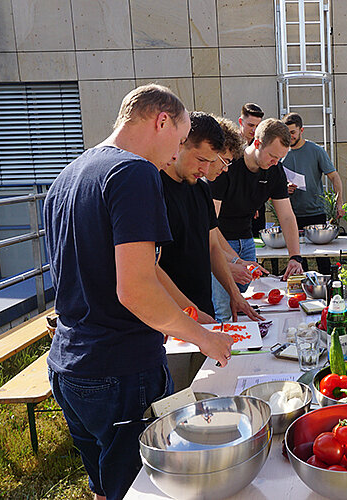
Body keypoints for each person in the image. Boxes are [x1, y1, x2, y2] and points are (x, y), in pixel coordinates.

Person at [43, 84, 234, 500]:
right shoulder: (135, 172)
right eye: (181, 140)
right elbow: (135, 288)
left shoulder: (69, 174)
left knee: (108, 487)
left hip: (70, 366)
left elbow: (121, 271)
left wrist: (188, 313)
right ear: (161, 121)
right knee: (147, 488)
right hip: (121, 370)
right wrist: (203, 337)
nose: (177, 152)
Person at [158, 111, 261, 322]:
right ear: (180, 144)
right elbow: (152, 268)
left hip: (203, 309)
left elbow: (213, 247)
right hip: (172, 317)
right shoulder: (154, 189)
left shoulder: (201, 190)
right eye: (201, 160)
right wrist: (193, 313)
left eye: (210, 161)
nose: (205, 169)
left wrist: (234, 294)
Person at [210, 118, 304, 320]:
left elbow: (286, 216)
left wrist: (295, 257)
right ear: (258, 143)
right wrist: (233, 260)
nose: (275, 162)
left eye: (280, 158)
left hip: (247, 241)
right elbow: (209, 224)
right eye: (272, 156)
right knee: (223, 309)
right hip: (219, 244)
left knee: (248, 304)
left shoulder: (275, 170)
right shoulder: (227, 165)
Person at [205, 116, 271, 300]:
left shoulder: (200, 187)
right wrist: (230, 266)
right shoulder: (207, 184)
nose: (226, 168)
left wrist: (237, 262)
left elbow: (210, 232)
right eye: (224, 161)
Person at [281, 112, 344, 274]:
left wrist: (339, 203)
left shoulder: (315, 150)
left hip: (316, 212)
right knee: (297, 258)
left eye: (293, 133)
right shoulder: (281, 152)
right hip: (291, 214)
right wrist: (284, 187)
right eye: (286, 134)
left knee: (322, 258)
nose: (290, 137)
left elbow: (334, 177)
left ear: (302, 130)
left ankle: (327, 286)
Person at [238, 103, 268, 237]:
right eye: (251, 125)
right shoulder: (231, 145)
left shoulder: (261, 146)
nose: (254, 130)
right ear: (241, 122)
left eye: (258, 126)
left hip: (257, 206)